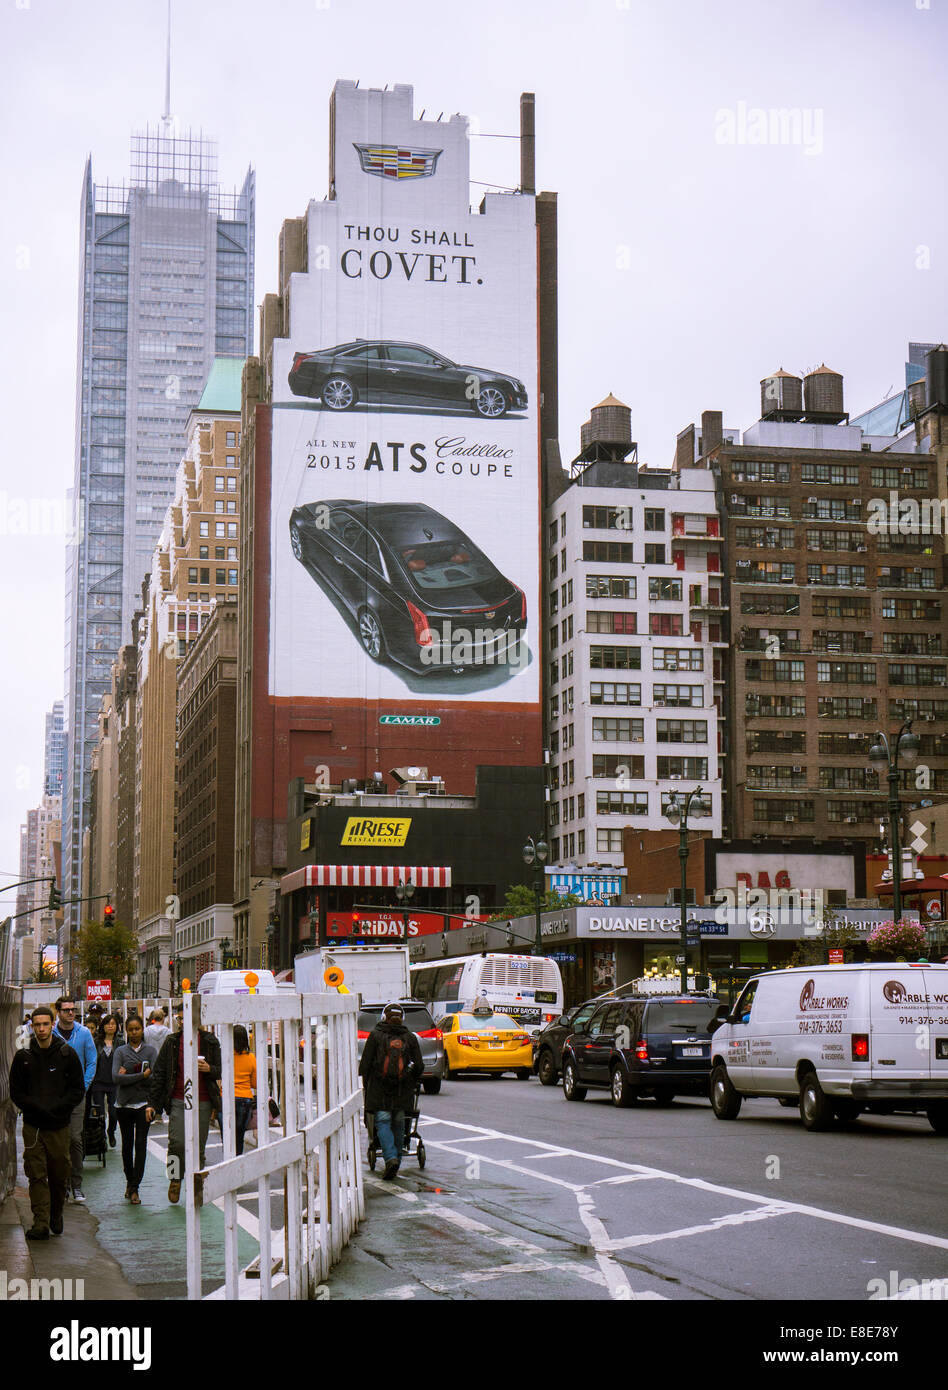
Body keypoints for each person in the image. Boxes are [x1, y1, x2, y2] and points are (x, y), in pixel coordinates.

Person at [9, 1006, 84, 1239]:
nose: (41, 1029)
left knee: (59, 1174)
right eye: (37, 1025)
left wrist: (58, 1108)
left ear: (52, 1024)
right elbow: (16, 1092)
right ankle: (40, 1222)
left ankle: (56, 1213)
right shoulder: (24, 1056)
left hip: (59, 1126)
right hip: (33, 1127)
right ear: (32, 1026)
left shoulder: (66, 1054)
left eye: (45, 1024)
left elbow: (77, 1090)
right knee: (36, 1174)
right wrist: (34, 1107)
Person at [146, 1004, 221, 1203]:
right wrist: (153, 1103)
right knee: (176, 1142)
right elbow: (160, 1073)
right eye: (179, 1018)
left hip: (203, 1100)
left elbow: (221, 1069)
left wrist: (209, 1069)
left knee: (199, 1146)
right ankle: (174, 1178)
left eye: (185, 1017)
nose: (182, 1022)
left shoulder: (210, 1042)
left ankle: (197, 1184)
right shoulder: (171, 1042)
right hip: (178, 1098)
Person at [358, 1002, 423, 1180]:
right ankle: (396, 1161)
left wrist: (368, 1079)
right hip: (403, 1090)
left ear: (384, 1017)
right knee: (399, 1124)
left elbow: (364, 1065)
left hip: (380, 1089)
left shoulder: (376, 1035)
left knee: (383, 1122)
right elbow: (419, 1066)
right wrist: (411, 1078)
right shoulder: (409, 1037)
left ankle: (390, 1158)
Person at [52, 997, 97, 1203]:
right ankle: (61, 1184)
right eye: (66, 1010)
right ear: (58, 1012)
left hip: (77, 1095)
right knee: (56, 1139)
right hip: (54, 1095)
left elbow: (92, 1062)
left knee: (75, 1139)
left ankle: (77, 1184)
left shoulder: (84, 1033)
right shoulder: (50, 1033)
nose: (71, 1013)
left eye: (73, 1010)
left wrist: (83, 1087)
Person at [112, 1015, 157, 1204]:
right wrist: (141, 1075)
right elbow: (115, 1078)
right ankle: (129, 1181)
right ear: (126, 1031)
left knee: (141, 1146)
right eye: (130, 1029)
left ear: (142, 1030)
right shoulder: (120, 1052)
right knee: (127, 1146)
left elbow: (154, 1078)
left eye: (137, 1029)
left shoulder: (151, 1051)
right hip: (123, 1105)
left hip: (143, 1105)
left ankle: (135, 1187)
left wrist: (128, 1073)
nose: (134, 1033)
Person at [91, 1011, 123, 1148]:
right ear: (103, 1026)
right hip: (98, 1081)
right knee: (100, 1112)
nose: (110, 1026)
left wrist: (124, 1069)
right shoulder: (96, 1042)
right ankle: (102, 1134)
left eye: (113, 1024)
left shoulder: (121, 1042)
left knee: (114, 1111)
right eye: (108, 1024)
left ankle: (111, 1131)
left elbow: (126, 1059)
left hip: (114, 1082)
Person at [231, 1025, 257, 1156]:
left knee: (228, 1137)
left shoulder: (225, 1056)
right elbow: (255, 1083)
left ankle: (227, 1162)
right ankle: (237, 1162)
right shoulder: (251, 1058)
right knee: (239, 1136)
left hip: (227, 1097)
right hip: (244, 1099)